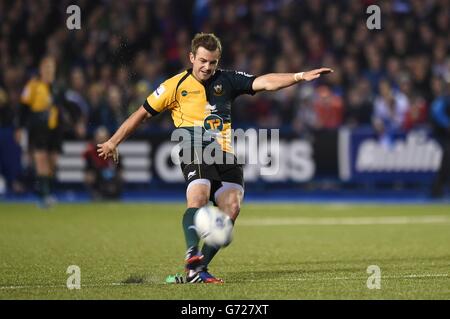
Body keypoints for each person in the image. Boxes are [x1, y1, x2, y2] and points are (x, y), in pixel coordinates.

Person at [97, 33, 332, 283]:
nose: (207, 67)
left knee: (231, 209)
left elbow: (265, 82)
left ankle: (198, 271)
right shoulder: (174, 86)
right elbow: (141, 114)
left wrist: (298, 76)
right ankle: (192, 254)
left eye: (213, 62)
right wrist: (113, 141)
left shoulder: (227, 80)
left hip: (225, 153)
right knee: (198, 195)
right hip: (193, 144)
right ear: (191, 58)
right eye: (202, 61)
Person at [17, 56, 62, 208]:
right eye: (47, 68)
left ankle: (46, 191)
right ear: (42, 69)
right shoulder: (33, 85)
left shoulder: (56, 87)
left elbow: (62, 105)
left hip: (54, 129)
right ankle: (45, 197)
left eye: (52, 68)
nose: (50, 71)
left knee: (53, 161)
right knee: (41, 160)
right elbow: (23, 108)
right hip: (38, 127)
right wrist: (19, 127)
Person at [83, 126, 123, 200]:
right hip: (98, 178)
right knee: (90, 177)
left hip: (111, 178)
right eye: (99, 138)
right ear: (95, 138)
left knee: (118, 178)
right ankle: (96, 194)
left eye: (103, 138)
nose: (101, 140)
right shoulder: (90, 152)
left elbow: (120, 168)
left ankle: (114, 194)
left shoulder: (114, 152)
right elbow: (88, 169)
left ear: (107, 138)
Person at [430, 78, 450, 198]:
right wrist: (448, 124)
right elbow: (437, 113)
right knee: (447, 156)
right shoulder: (441, 101)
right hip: (442, 138)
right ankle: (437, 188)